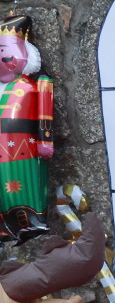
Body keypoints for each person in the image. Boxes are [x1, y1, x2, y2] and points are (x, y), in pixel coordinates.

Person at [0, 12, 52, 242]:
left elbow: (44, 112)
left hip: (26, 146)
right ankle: (5, 226)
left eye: (5, 49)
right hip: (3, 150)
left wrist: (45, 139)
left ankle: (33, 220)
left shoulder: (34, 85)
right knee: (5, 188)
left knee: (28, 184)